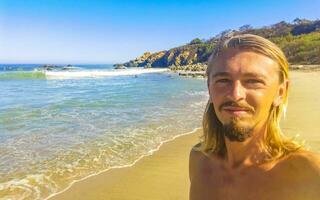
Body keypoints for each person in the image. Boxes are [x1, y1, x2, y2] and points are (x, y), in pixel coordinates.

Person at [189, 33, 320, 200]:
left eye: (253, 81)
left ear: (281, 92)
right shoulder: (199, 160)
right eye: (223, 80)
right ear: (209, 89)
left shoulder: (310, 174)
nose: (236, 95)